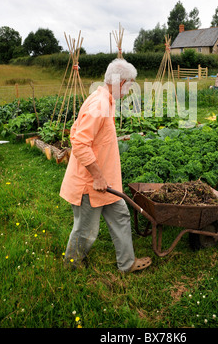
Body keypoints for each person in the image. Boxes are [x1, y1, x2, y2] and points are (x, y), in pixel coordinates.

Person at [60, 58, 152, 273]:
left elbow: (84, 134)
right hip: (90, 184)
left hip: (107, 182)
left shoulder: (106, 100)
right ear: (120, 82)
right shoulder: (99, 104)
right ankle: (71, 267)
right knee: (86, 231)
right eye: (130, 84)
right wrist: (98, 176)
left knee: (121, 216)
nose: (130, 90)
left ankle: (127, 263)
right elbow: (80, 143)